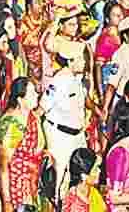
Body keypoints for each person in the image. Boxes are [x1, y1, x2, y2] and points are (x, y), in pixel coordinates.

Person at [42, 39, 88, 196]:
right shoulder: (59, 81)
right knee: (61, 181)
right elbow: (43, 108)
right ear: (70, 61)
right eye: (80, 58)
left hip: (77, 135)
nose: (84, 62)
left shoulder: (77, 78)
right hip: (61, 136)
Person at [0, 77, 46, 212]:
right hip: (18, 185)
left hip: (33, 179)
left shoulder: (31, 115)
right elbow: (3, 166)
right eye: (32, 93)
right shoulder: (10, 124)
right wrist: (7, 201)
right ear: (20, 99)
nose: (36, 95)